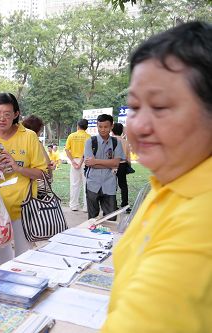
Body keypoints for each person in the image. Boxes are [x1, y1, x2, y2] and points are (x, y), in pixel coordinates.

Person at [101, 21, 212, 333]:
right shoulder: (170, 183)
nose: (140, 126)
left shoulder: (202, 222)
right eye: (134, 106)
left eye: (161, 106)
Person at [0, 93, 47, 265]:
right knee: (4, 263)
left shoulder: (29, 136)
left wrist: (18, 168)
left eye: (7, 114)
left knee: (24, 261)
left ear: (16, 114)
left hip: (24, 210)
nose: (2, 118)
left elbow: (43, 173)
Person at [84, 114, 124, 220]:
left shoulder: (116, 143)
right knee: (92, 219)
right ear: (97, 126)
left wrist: (95, 161)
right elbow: (89, 163)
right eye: (100, 126)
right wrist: (109, 163)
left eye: (106, 127)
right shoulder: (90, 141)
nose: (102, 129)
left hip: (109, 184)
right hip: (93, 183)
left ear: (111, 126)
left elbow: (116, 163)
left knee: (111, 217)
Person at [64, 119, 90, 211]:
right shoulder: (89, 137)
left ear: (77, 126)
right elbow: (88, 152)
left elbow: (67, 150)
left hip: (74, 161)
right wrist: (81, 162)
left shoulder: (72, 136)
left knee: (74, 184)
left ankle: (74, 205)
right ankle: (86, 207)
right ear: (86, 127)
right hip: (85, 162)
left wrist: (73, 161)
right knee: (86, 185)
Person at [111, 123, 132, 212]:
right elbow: (128, 157)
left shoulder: (109, 141)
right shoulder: (125, 142)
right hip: (122, 165)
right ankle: (125, 205)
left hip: (111, 165)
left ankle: (112, 205)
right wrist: (129, 166)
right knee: (123, 185)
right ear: (122, 131)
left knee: (111, 185)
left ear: (112, 130)